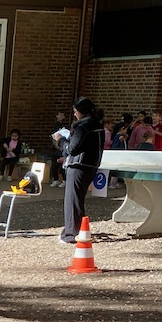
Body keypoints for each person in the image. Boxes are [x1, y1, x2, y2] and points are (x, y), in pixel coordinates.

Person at [60, 97, 105, 245]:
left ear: (81, 111)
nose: (74, 114)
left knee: (72, 200)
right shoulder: (98, 125)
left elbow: (72, 149)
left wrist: (60, 141)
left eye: (75, 111)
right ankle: (78, 229)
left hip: (78, 165)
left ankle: (71, 233)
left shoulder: (82, 126)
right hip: (91, 165)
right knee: (78, 199)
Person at [48, 110, 69, 186]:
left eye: (62, 115)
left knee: (62, 164)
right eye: (60, 115)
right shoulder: (56, 125)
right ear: (57, 116)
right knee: (55, 164)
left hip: (62, 147)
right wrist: (57, 146)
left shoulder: (64, 126)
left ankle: (64, 180)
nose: (61, 116)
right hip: (57, 148)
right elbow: (54, 137)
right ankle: (56, 179)